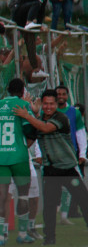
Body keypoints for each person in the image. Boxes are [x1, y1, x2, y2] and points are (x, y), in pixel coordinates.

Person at [13, 90, 88, 245]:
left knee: (83, 200)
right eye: (45, 104)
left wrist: (27, 115)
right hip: (50, 169)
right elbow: (29, 141)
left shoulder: (61, 118)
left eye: (51, 104)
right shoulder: (38, 120)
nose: (48, 107)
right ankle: (50, 238)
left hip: (67, 168)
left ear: (56, 105)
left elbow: (46, 128)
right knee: (49, 204)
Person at [0, 78, 36, 245]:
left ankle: (0, 236)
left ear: (7, 89)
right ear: (23, 91)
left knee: (1, 196)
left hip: (0, 156)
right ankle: (22, 234)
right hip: (18, 156)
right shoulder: (22, 105)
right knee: (23, 195)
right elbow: (31, 128)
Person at [54, 85, 87, 225]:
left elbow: (80, 133)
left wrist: (83, 153)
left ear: (67, 96)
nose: (61, 96)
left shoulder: (74, 112)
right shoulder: (49, 111)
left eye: (63, 94)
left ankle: (65, 215)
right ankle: (58, 215)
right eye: (58, 94)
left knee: (77, 186)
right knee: (53, 186)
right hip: (53, 156)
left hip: (70, 155)